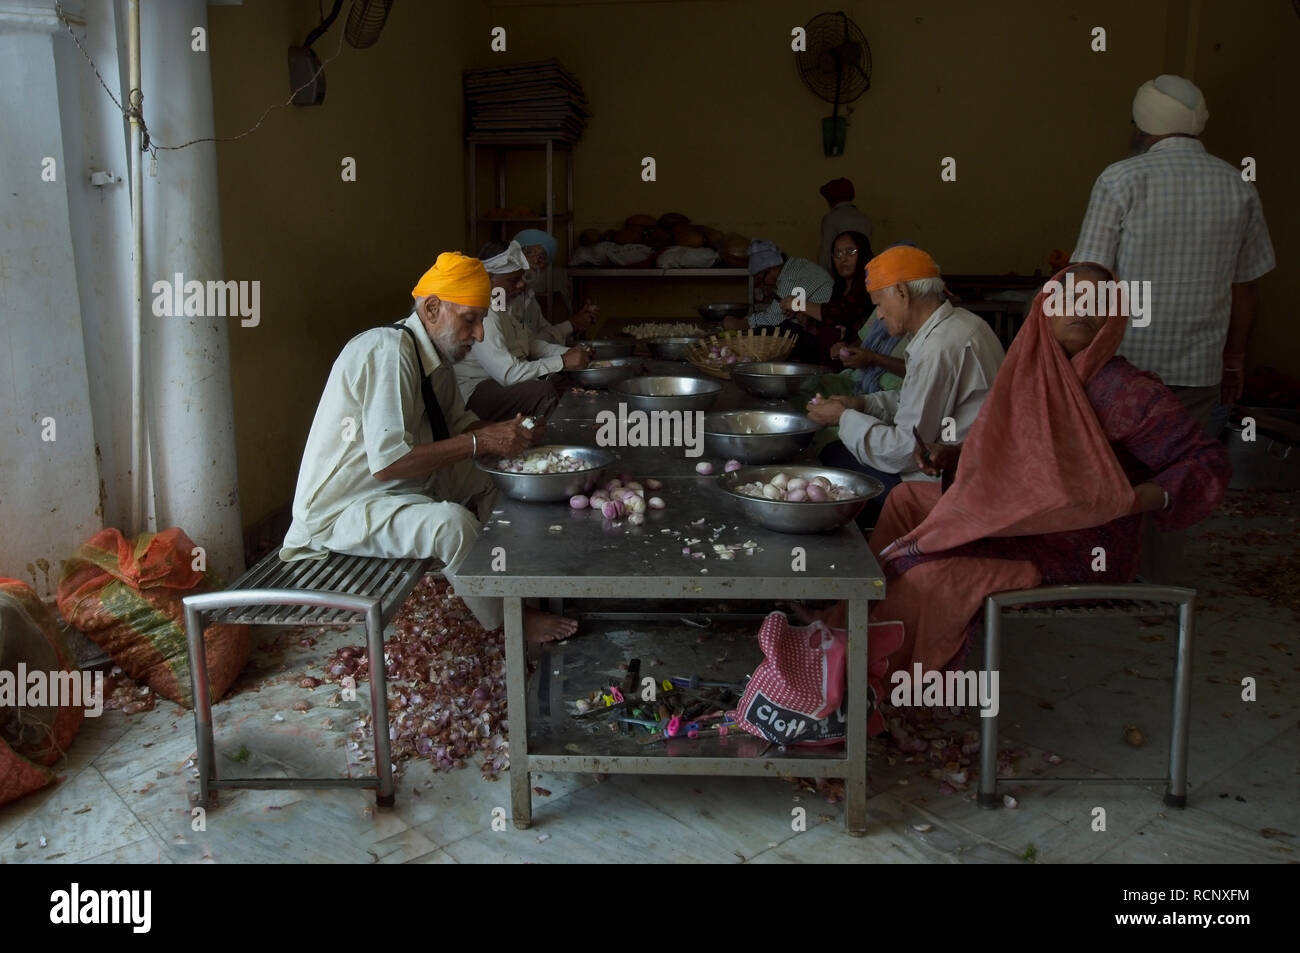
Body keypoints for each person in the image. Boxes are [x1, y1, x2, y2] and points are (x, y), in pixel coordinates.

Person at [852, 264, 1231, 700]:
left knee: (933, 579)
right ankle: (861, 620)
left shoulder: (1128, 392)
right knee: (904, 499)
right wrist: (953, 455)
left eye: (1099, 301)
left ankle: (885, 684)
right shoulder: (1028, 374)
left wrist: (1133, 498)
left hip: (1081, 546)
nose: (1084, 309)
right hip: (1020, 518)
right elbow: (1017, 456)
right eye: (1071, 297)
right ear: (1045, 308)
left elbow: (1206, 462)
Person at [281, 252, 578, 643]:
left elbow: (459, 426)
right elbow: (389, 463)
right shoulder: (386, 350)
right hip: (343, 510)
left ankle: (510, 577)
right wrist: (481, 440)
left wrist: (508, 432)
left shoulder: (434, 360)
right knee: (453, 526)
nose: (479, 335)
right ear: (433, 308)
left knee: (502, 469)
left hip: (396, 489)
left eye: (480, 322)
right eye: (470, 321)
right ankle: (511, 620)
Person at [1070, 74, 1274, 583]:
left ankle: (1101, 574)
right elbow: (1246, 286)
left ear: (1142, 126)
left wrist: (1072, 357)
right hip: (1198, 364)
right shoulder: (1237, 185)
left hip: (1125, 366)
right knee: (1177, 475)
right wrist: (1234, 358)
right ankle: (1160, 589)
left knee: (1110, 469)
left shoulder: (1120, 178)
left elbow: (1089, 276)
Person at [806, 245, 1004, 522]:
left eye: (878, 305)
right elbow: (914, 398)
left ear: (902, 292)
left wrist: (843, 417)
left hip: (950, 481)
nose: (880, 316)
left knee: (833, 457)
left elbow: (903, 451)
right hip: (970, 463)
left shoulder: (939, 347)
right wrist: (862, 403)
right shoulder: (964, 323)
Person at [455, 241, 589, 421]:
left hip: (501, 381)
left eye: (521, 278)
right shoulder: (483, 314)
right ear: (488, 278)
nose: (520, 285)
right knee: (542, 391)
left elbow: (529, 344)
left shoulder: (501, 305)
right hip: (476, 391)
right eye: (513, 280)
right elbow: (508, 374)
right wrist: (563, 361)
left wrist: (570, 354)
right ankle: (548, 443)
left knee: (560, 380)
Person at [783, 230, 883, 366]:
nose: (843, 259)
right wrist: (807, 321)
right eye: (838, 253)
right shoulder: (839, 288)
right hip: (833, 357)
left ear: (863, 253)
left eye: (851, 251)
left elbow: (841, 313)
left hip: (857, 360)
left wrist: (798, 304)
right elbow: (830, 321)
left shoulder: (869, 285)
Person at [727, 239, 833, 364]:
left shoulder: (791, 277)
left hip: (825, 332)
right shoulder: (795, 265)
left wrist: (742, 324)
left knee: (771, 333)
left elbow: (774, 317)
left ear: (773, 269)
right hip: (814, 324)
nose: (763, 284)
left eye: (762, 279)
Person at [511, 228, 599, 346]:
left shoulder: (529, 296)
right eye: (528, 253)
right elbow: (526, 345)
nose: (535, 260)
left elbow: (542, 336)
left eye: (542, 258)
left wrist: (575, 324)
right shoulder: (499, 295)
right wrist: (572, 324)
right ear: (512, 255)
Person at [817, 178, 873, 271]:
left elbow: (825, 254)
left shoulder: (831, 218)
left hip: (839, 272)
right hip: (864, 271)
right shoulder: (864, 218)